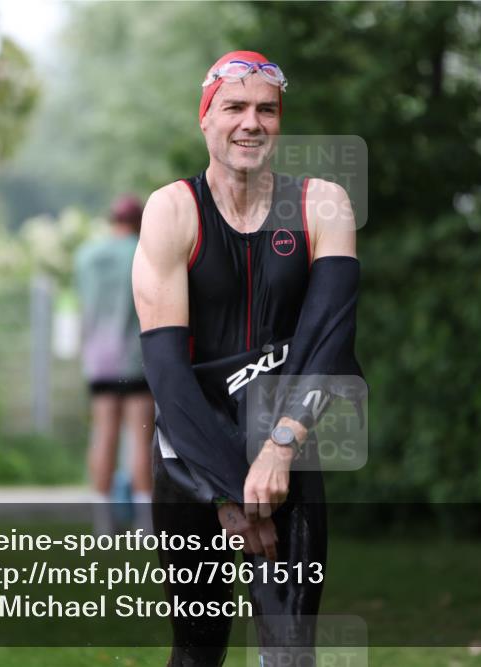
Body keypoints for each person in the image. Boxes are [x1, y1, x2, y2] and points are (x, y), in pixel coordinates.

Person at [133, 51, 363, 665]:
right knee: (198, 652)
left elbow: (328, 346)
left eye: (266, 109)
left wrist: (281, 448)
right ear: (205, 119)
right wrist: (232, 494)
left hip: (286, 446)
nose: (251, 122)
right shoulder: (173, 211)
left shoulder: (324, 205)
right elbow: (169, 379)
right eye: (234, 107)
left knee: (291, 653)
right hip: (192, 454)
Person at [74, 195, 155, 534]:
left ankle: (102, 523)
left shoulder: (86, 256)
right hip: (136, 358)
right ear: (138, 221)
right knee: (140, 437)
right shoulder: (144, 252)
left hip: (99, 359)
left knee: (103, 435)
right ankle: (145, 522)